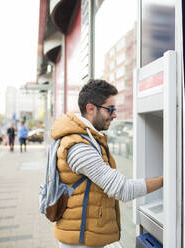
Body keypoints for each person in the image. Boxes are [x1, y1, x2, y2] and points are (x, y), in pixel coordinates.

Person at [50, 79, 163, 248]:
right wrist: (166, 180)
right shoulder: (79, 147)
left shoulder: (88, 138)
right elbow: (123, 190)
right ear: (91, 109)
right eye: (110, 109)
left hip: (85, 234)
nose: (115, 114)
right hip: (80, 241)